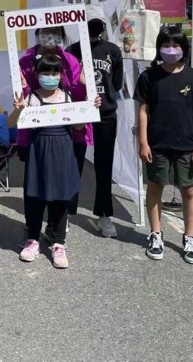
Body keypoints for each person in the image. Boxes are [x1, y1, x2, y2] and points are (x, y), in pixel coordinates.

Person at [8, 54, 101, 268]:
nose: (50, 77)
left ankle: (59, 243)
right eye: (45, 73)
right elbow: (13, 122)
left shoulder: (68, 97)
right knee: (34, 196)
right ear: (37, 75)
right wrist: (19, 109)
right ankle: (33, 239)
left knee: (60, 197)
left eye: (54, 73)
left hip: (63, 151)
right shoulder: (30, 98)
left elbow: (78, 127)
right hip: (39, 150)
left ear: (61, 75)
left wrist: (90, 109)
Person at [134, 27, 193, 265]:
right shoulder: (149, 76)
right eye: (166, 45)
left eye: (176, 45)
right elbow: (143, 111)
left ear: (184, 49)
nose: (171, 49)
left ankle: (189, 238)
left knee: (189, 190)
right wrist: (143, 141)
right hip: (157, 145)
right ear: (158, 48)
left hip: (187, 145)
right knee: (155, 187)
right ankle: (156, 234)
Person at [19, 26, 90, 238]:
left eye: (55, 33)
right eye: (45, 32)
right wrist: (21, 90)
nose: (50, 37)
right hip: (35, 135)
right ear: (37, 34)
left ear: (61, 35)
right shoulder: (24, 61)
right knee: (35, 183)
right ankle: (33, 230)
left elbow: (78, 95)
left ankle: (56, 228)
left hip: (66, 134)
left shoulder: (70, 60)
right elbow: (21, 99)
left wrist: (87, 89)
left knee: (62, 182)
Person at [65, 18, 124, 237]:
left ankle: (104, 213)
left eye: (98, 25)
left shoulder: (113, 50)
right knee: (74, 162)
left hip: (106, 113)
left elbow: (116, 84)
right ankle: (68, 212)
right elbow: (67, 81)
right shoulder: (73, 49)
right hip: (79, 113)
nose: (94, 29)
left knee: (104, 164)